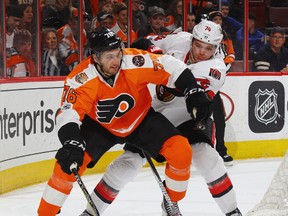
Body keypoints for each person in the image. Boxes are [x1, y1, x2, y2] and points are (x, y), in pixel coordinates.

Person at [37, 26, 213, 216]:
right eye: (109, 57)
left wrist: (193, 90)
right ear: (95, 58)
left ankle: (171, 204)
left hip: (141, 119)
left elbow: (172, 66)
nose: (116, 61)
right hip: (100, 126)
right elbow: (68, 113)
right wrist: (71, 141)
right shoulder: (81, 78)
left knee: (181, 151)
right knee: (65, 166)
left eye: (117, 54)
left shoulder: (134, 61)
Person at [78, 20, 242, 216]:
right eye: (198, 45)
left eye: (208, 48)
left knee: (207, 158)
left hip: (189, 116)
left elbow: (178, 84)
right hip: (158, 111)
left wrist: (157, 60)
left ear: (216, 48)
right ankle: (91, 212)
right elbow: (142, 42)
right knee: (128, 163)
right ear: (192, 39)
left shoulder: (216, 68)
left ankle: (230, 211)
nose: (201, 52)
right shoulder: (180, 39)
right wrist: (151, 49)